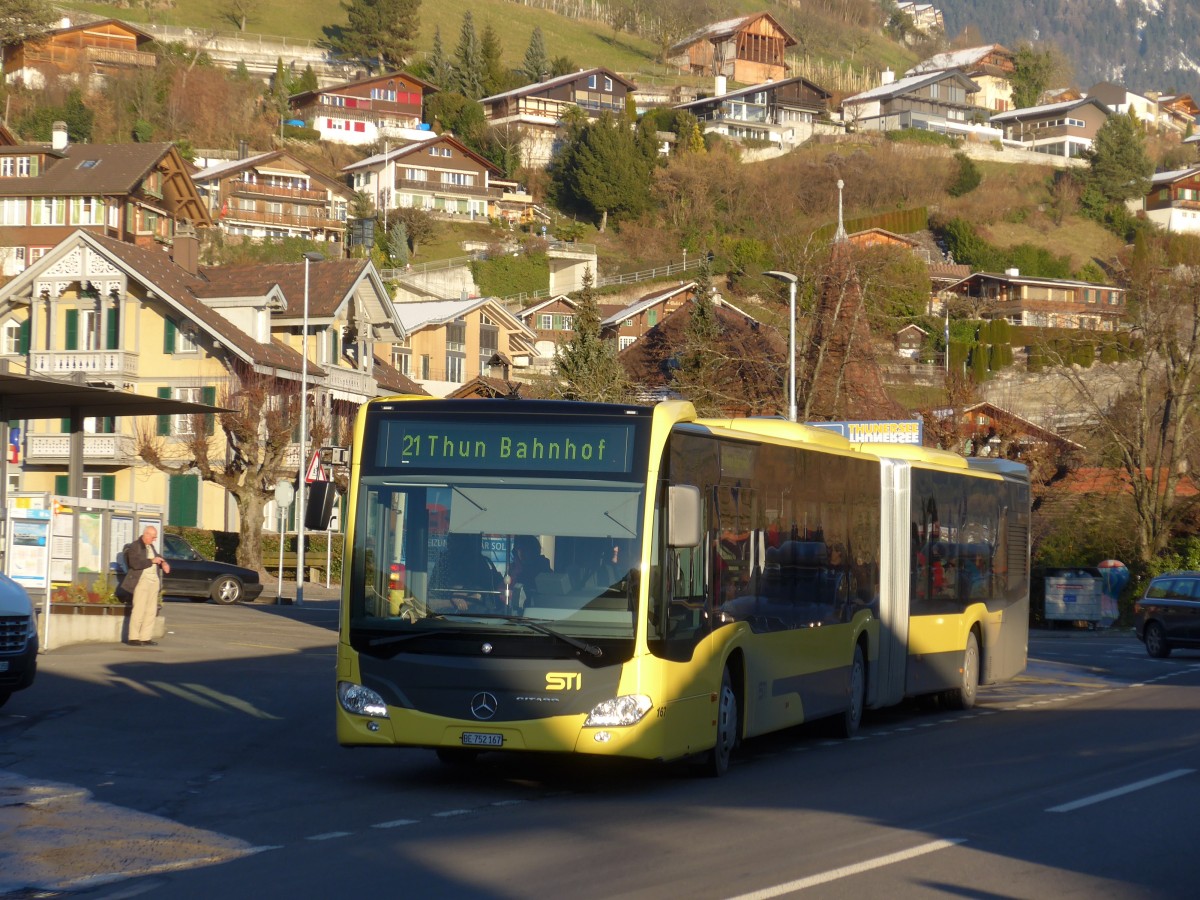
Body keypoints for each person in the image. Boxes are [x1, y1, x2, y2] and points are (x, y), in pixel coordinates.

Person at [123, 526, 170, 646]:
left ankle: (145, 637)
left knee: (151, 610)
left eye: (155, 537)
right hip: (142, 580)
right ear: (146, 534)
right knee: (139, 609)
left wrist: (164, 563)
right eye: (153, 537)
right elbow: (134, 564)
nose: (154, 540)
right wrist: (151, 561)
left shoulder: (151, 547)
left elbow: (158, 557)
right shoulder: (135, 546)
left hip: (153, 581)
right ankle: (133, 637)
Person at [430, 533, 501, 611]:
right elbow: (430, 598)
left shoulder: (479, 563)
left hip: (477, 618)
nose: (450, 543)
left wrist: (463, 596)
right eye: (450, 539)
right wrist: (452, 601)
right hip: (440, 618)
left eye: (457, 540)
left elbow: (480, 596)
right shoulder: (443, 561)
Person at [510, 535, 551, 600]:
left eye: (525, 549)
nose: (521, 552)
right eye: (519, 549)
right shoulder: (514, 568)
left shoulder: (543, 569)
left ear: (534, 550)